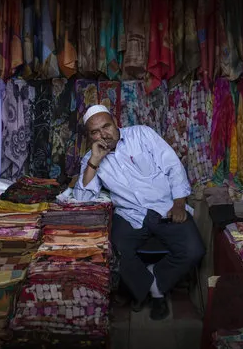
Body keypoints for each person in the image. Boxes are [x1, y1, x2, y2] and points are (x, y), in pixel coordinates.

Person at [73, 105, 205, 320]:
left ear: (116, 123)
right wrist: (95, 161)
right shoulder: (91, 158)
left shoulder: (141, 134)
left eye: (106, 126)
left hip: (165, 206)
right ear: (89, 136)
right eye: (95, 132)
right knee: (113, 250)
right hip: (130, 214)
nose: (103, 134)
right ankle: (154, 292)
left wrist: (179, 202)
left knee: (194, 251)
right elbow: (82, 200)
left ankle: (149, 284)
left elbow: (173, 165)